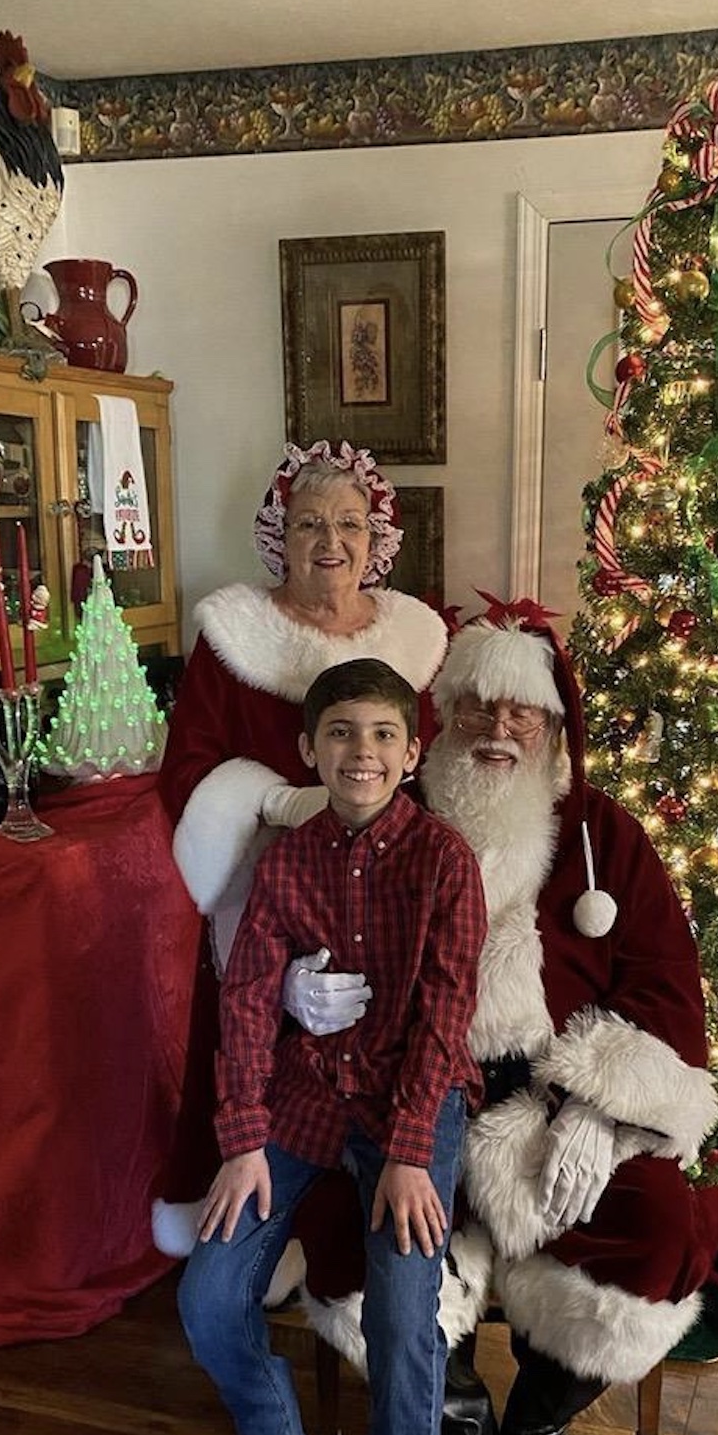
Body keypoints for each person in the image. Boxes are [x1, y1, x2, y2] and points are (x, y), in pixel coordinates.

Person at [295, 599, 718, 1435]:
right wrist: (306, 986)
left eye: (523, 714)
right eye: (478, 708)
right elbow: (317, 935)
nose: (499, 730)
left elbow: (667, 986)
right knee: (348, 1217)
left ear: (552, 730)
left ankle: (538, 1427)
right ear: (444, 717)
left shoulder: (604, 838)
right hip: (417, 1105)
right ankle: (460, 1416)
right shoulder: (392, 823)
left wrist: (602, 1104)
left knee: (661, 1225)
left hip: (559, 1110)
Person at [177, 658, 486, 1435]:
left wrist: (408, 1151)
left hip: (412, 1104)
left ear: (412, 751)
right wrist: (242, 1134)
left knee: (405, 1322)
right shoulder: (288, 859)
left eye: (384, 734)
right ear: (310, 749)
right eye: (342, 732)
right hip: (305, 1097)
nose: (363, 752)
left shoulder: (446, 861)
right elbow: (252, 1000)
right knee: (210, 1289)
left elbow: (446, 1014)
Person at [154, 442, 447, 1259]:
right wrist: (277, 803)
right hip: (261, 897)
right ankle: (248, 1232)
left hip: (378, 890)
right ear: (281, 533)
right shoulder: (233, 636)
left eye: (349, 523)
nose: (331, 541)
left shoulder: (416, 637)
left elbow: (426, 766)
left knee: (371, 1055)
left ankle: (344, 1248)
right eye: (311, 521)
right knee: (255, 1049)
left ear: (376, 534)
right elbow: (186, 771)